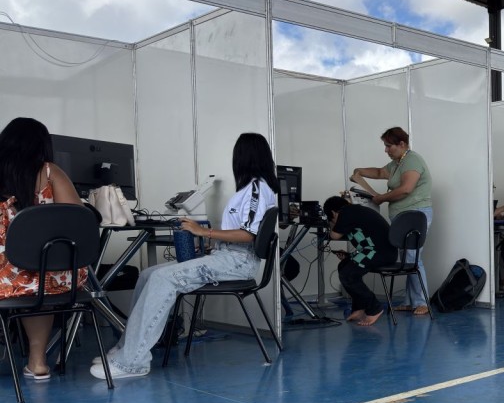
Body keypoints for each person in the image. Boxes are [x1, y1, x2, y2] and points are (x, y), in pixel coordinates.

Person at [90, 133, 279, 380]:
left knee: (163, 279)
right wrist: (210, 245)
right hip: (227, 256)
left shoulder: (257, 188)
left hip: (238, 262)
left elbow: (249, 234)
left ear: (243, 157)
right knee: (148, 275)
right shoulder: (249, 190)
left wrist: (203, 231)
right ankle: (126, 349)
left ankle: (133, 363)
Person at [0, 117, 87, 381]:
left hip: (5, 280)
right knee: (41, 279)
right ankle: (37, 362)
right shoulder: (50, 173)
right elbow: (78, 221)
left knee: (30, 278)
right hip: (57, 277)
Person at [349, 126, 432, 316]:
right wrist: (360, 171)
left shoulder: (412, 160)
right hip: (402, 217)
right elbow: (380, 172)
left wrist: (381, 198)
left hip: (415, 214)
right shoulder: (397, 162)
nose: (386, 150)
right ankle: (411, 302)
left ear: (401, 144)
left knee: (412, 259)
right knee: (407, 259)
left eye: (389, 146)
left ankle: (422, 302)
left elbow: (406, 189)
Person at [323, 194, 397, 326]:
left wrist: (331, 225)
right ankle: (360, 308)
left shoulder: (346, 212)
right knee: (344, 265)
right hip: (378, 251)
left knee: (348, 273)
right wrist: (350, 256)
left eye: (331, 218)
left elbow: (334, 235)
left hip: (380, 253)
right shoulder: (354, 211)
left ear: (333, 213)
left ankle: (374, 308)